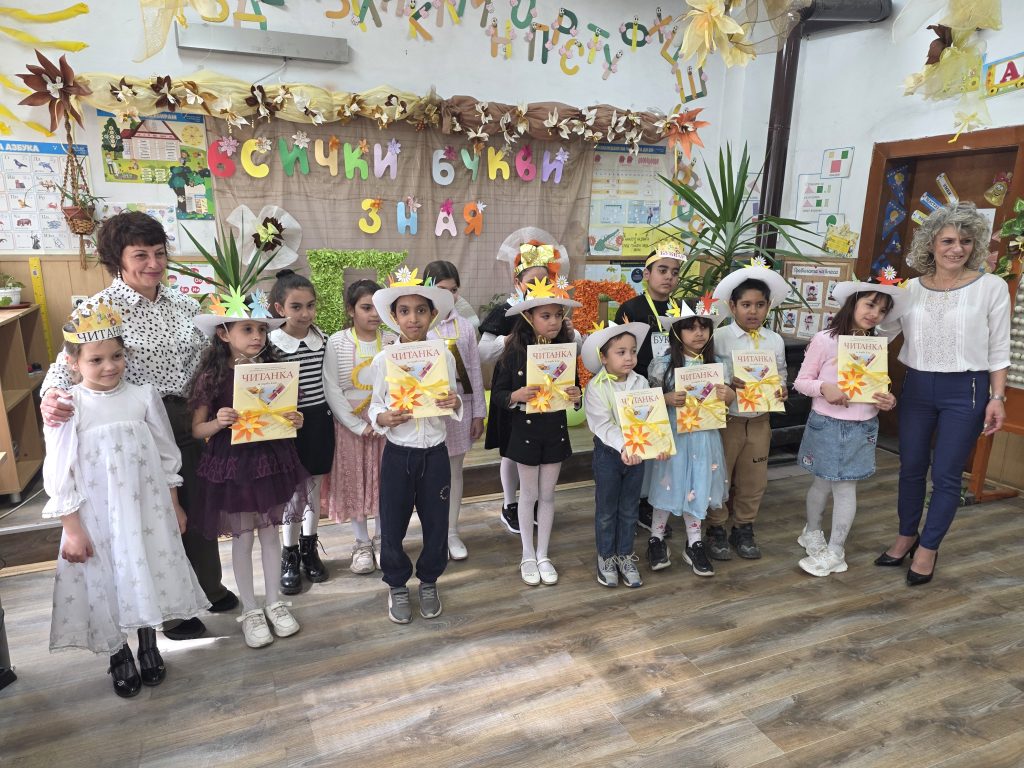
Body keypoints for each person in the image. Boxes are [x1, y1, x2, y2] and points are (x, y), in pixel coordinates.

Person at [39, 211, 234, 642]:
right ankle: (171, 614)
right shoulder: (97, 309)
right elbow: (65, 367)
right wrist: (51, 397)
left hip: (190, 417)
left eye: (159, 253)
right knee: (153, 518)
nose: (153, 263)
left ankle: (207, 587)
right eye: (141, 255)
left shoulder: (184, 303)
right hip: (134, 426)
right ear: (118, 259)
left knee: (196, 508)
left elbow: (207, 359)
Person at [42, 301, 207, 698]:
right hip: (97, 516)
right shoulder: (69, 406)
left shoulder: (143, 396)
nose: (109, 366)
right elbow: (60, 471)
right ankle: (118, 652)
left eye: (117, 356)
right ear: (72, 362)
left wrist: (174, 504)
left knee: (146, 570)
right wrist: (72, 529)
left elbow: (166, 454)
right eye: (96, 360)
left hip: (146, 509)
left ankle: (148, 644)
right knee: (107, 580)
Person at [876, 202, 1010, 586]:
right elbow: (880, 334)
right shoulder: (909, 289)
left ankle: (928, 547)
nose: (957, 248)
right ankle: (906, 535)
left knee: (947, 474)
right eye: (948, 240)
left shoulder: (991, 287)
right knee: (911, 467)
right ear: (931, 243)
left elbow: (999, 348)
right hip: (917, 386)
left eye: (965, 241)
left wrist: (997, 397)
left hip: (967, 389)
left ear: (975, 245)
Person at [189, 245, 309, 649]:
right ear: (224, 334)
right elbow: (197, 429)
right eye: (246, 329)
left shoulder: (274, 369)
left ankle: (275, 602)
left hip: (271, 461)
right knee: (243, 538)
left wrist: (295, 419)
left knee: (272, 533)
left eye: (261, 329)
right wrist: (218, 422)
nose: (256, 336)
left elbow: (287, 414)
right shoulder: (212, 376)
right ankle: (251, 609)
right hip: (234, 465)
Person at [793, 279, 907, 576]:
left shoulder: (875, 345)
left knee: (845, 487)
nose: (875, 314)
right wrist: (824, 387)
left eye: (882, 310)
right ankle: (812, 531)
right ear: (853, 303)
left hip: (862, 427)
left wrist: (888, 399)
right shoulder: (825, 340)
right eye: (870, 305)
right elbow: (801, 382)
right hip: (826, 423)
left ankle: (835, 551)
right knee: (821, 482)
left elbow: (878, 387)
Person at [368, 268, 463, 624]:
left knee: (436, 523)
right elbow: (375, 404)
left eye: (421, 310)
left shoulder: (444, 356)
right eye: (404, 311)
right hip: (398, 454)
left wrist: (454, 402)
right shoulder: (384, 360)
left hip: (435, 453)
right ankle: (396, 582)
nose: (413, 318)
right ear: (394, 317)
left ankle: (429, 580)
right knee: (392, 523)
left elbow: (452, 396)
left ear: (432, 314)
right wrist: (382, 418)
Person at [481, 228, 579, 535]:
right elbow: (483, 351)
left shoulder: (555, 312)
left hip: (546, 400)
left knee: (534, 457)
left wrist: (571, 333)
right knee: (512, 451)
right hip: (515, 391)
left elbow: (577, 350)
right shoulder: (505, 311)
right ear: (517, 282)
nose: (539, 285)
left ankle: (534, 503)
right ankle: (510, 503)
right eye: (531, 281)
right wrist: (510, 339)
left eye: (545, 280)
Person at [490, 277, 582, 586]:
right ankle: (527, 554)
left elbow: (574, 389)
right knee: (528, 495)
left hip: (554, 430)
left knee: (548, 495)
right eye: (546, 315)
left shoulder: (565, 350)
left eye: (558, 315)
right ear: (529, 316)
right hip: (524, 432)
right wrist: (516, 396)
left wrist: (575, 395)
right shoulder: (514, 351)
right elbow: (499, 394)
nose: (554, 321)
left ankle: (543, 554)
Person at [710, 260, 792, 560]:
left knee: (754, 478)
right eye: (746, 305)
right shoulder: (718, 337)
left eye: (760, 305)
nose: (753, 311)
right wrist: (725, 381)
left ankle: (744, 526)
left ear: (768, 306)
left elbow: (780, 373)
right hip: (727, 420)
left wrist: (782, 388)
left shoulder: (775, 340)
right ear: (732, 306)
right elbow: (705, 375)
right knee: (719, 476)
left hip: (760, 421)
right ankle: (715, 527)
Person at [648, 300, 733, 577]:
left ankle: (694, 543)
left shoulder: (717, 364)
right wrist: (665, 398)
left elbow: (727, 399)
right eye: (691, 328)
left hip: (704, 437)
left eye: (704, 327)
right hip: (674, 436)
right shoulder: (663, 365)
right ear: (677, 332)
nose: (699, 333)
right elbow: (647, 403)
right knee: (667, 482)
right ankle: (656, 538)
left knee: (699, 483)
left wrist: (728, 395)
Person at [322, 280, 396, 574]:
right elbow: (331, 387)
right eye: (366, 308)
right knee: (354, 480)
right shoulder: (337, 342)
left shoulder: (392, 340)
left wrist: (383, 419)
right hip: (350, 425)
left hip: (385, 424)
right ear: (351, 310)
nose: (374, 314)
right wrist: (356, 425)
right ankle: (362, 543)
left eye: (378, 308)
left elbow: (399, 383)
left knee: (385, 482)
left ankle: (383, 539)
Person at [268, 269, 333, 594]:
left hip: (319, 421)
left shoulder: (323, 339)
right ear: (280, 308)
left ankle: (309, 549)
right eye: (296, 307)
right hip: (288, 425)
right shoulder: (271, 344)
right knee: (293, 494)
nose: (305, 313)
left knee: (313, 490)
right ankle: (289, 554)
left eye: (310, 305)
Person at [615, 240, 686, 536]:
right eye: (662, 270)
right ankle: (630, 510)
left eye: (674, 272)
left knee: (661, 456)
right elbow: (617, 352)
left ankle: (652, 505)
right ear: (646, 274)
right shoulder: (631, 309)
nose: (668, 276)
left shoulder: (682, 310)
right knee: (639, 452)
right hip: (639, 391)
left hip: (675, 393)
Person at [582, 321, 656, 588]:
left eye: (633, 351)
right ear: (603, 357)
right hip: (609, 455)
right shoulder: (596, 387)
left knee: (629, 508)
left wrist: (657, 444)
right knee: (606, 510)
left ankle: (625, 555)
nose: (629, 358)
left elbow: (651, 418)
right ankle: (606, 557)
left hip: (637, 455)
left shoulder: (641, 381)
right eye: (621, 352)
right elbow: (602, 425)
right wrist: (625, 446)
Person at [424, 261, 486, 560]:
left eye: (453, 290)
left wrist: (478, 413)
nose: (448, 296)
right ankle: (430, 533)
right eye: (441, 290)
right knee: (426, 475)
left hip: (459, 407)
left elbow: (474, 370)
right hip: (425, 411)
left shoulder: (465, 327)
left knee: (454, 471)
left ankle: (451, 532)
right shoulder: (418, 325)